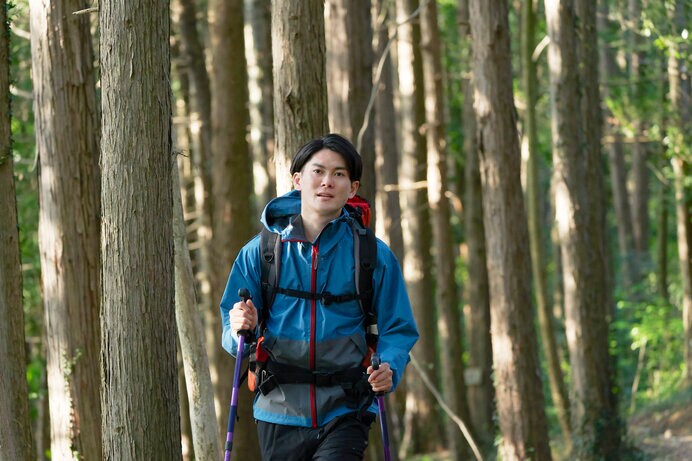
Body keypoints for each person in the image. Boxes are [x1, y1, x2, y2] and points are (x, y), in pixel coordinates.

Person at [220, 133, 418, 460]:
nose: (327, 182)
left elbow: (399, 329)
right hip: (278, 408)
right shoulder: (262, 252)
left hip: (346, 408)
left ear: (352, 188)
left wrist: (390, 367)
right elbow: (233, 331)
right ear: (298, 180)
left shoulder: (372, 254)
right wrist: (241, 326)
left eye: (339, 174)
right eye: (318, 171)